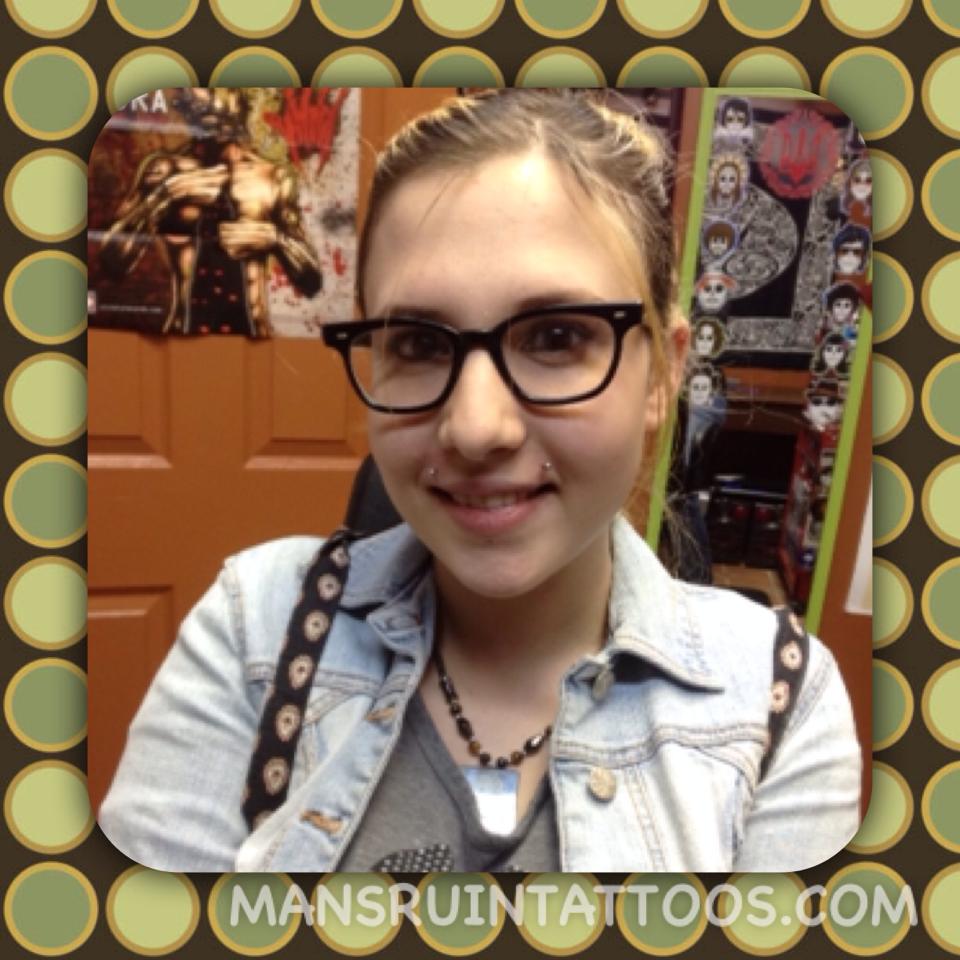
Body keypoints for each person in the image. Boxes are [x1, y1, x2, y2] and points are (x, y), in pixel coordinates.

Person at [98, 89, 861, 873]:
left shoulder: (777, 704)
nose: (474, 427)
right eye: (419, 343)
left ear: (662, 374)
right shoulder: (257, 628)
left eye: (556, 337)